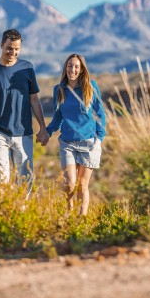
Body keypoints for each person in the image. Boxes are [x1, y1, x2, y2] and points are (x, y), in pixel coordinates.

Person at [37, 54, 107, 215]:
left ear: (82, 69)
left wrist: (100, 138)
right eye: (69, 66)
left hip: (89, 143)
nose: (72, 69)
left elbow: (101, 114)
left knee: (82, 185)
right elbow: (58, 117)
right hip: (67, 143)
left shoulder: (90, 87)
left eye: (76, 66)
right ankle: (69, 216)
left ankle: (81, 219)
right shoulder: (59, 90)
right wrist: (47, 132)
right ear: (65, 68)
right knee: (69, 184)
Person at [0, 28, 47, 189]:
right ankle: (3, 214)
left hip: (23, 133)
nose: (12, 52)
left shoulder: (27, 68)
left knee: (25, 182)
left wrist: (42, 127)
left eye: (16, 49)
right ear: (1, 45)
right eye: (9, 48)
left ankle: (22, 213)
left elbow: (34, 100)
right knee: (0, 181)